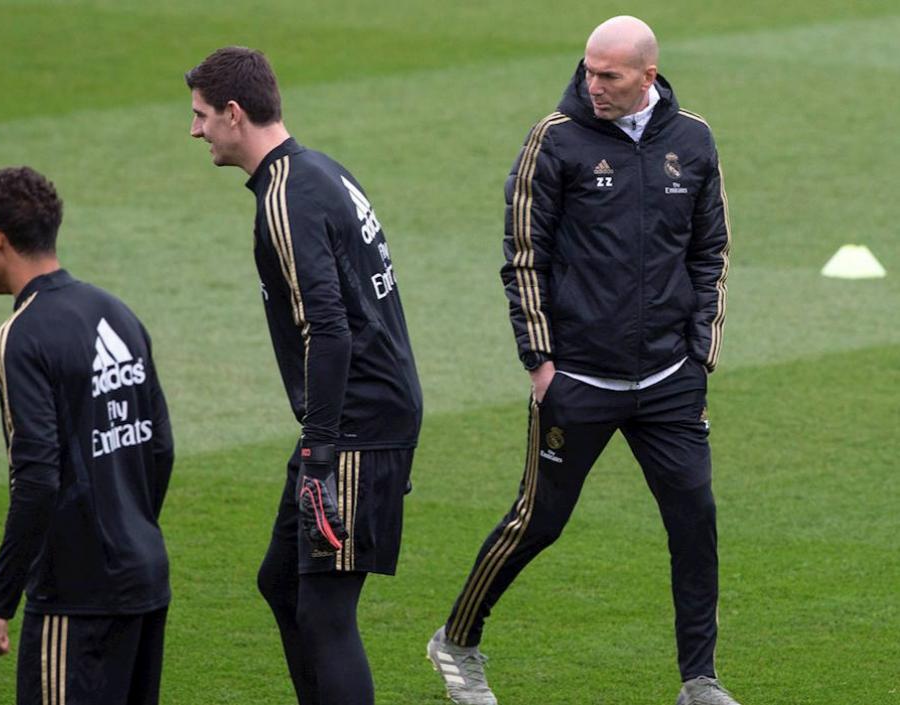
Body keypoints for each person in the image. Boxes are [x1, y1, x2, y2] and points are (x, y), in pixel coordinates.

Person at [425, 15, 736, 705]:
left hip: (667, 382)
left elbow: (711, 250)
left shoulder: (694, 139)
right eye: (588, 71)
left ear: (647, 77)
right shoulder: (554, 139)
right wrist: (540, 361)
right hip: (579, 379)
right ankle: (457, 639)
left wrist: (700, 353)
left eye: (609, 76)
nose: (592, 85)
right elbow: (523, 254)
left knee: (696, 522)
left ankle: (699, 680)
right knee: (537, 522)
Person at [185, 47, 423, 705]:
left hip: (353, 423)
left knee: (325, 612)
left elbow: (330, 328)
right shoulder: (317, 170)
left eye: (202, 116)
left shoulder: (287, 196)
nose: (196, 130)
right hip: (361, 415)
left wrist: (320, 454)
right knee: (281, 582)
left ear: (235, 113)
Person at [0, 167, 174, 705]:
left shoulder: (20, 336)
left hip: (78, 596)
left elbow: (36, 476)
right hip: (145, 575)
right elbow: (159, 447)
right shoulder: (116, 312)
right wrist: (129, 524)